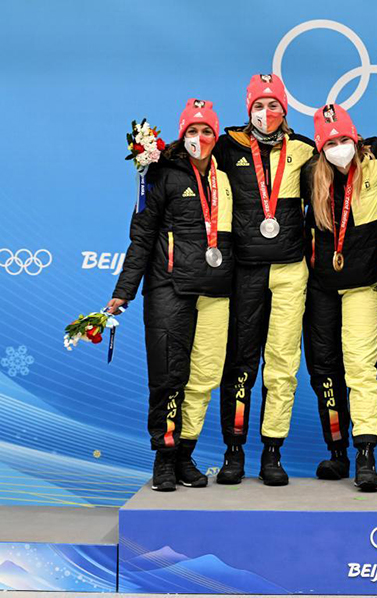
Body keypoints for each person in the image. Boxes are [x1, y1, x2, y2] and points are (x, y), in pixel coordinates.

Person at [108, 99, 233, 491]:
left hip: (214, 288)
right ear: (182, 135)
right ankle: (164, 456)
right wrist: (124, 291)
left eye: (207, 130)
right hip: (169, 287)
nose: (200, 137)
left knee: (205, 376)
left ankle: (184, 454)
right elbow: (142, 236)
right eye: (192, 130)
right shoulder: (160, 174)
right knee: (168, 374)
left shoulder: (226, 176)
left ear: (216, 135)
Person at [213, 74, 315, 486]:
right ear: (248, 108)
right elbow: (187, 162)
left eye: (274, 105)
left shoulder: (304, 148)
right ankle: (234, 451)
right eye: (259, 105)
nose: (266, 112)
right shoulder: (227, 146)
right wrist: (149, 154)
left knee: (283, 365)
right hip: (245, 270)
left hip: (290, 269)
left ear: (285, 110)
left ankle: (273, 451)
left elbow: (356, 156)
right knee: (239, 362)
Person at [301, 104, 377, 491]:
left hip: (364, 283)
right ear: (320, 148)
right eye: (331, 143)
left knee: (360, 368)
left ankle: (365, 455)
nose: (339, 148)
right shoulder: (310, 174)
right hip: (321, 286)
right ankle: (337, 450)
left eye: (345, 139)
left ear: (357, 140)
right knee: (323, 369)